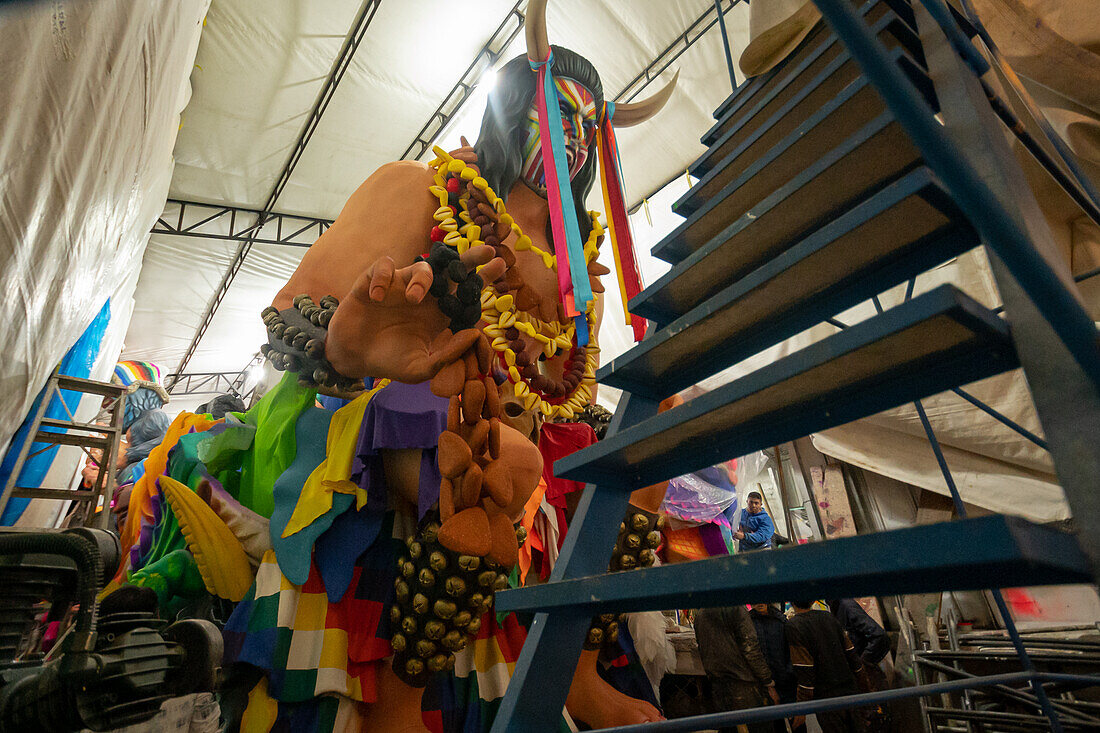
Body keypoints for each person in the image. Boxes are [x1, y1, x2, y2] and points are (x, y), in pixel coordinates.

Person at [786, 599, 870, 733]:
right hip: (850, 689)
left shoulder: (794, 625)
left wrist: (801, 708)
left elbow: (805, 668)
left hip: (826, 698)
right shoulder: (828, 616)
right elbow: (852, 656)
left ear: (791, 602)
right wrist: (865, 688)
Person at [694, 604, 780, 733]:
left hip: (719, 687)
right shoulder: (735, 608)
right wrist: (768, 681)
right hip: (744, 686)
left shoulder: (700, 614)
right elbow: (750, 648)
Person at [751, 602, 796, 728]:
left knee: (796, 725)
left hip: (787, 685)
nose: (759, 603)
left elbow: (790, 654)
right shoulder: (748, 623)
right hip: (764, 687)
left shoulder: (781, 620)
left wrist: (789, 680)